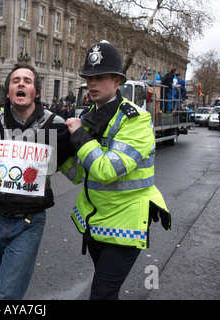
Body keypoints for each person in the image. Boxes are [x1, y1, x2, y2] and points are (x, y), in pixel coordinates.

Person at [60, 41, 171, 300]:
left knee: (101, 292)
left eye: (100, 77)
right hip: (97, 221)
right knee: (107, 291)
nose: (92, 84)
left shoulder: (137, 120)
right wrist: (59, 155)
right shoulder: (88, 115)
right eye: (89, 78)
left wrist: (80, 137)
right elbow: (79, 174)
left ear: (117, 81)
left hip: (127, 222)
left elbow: (107, 170)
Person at [0, 62, 73, 300]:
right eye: (15, 81)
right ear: (8, 92)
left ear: (36, 92)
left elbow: (72, 164)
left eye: (27, 81)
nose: (21, 84)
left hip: (29, 221)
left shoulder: (55, 124)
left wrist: (78, 138)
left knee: (5, 295)